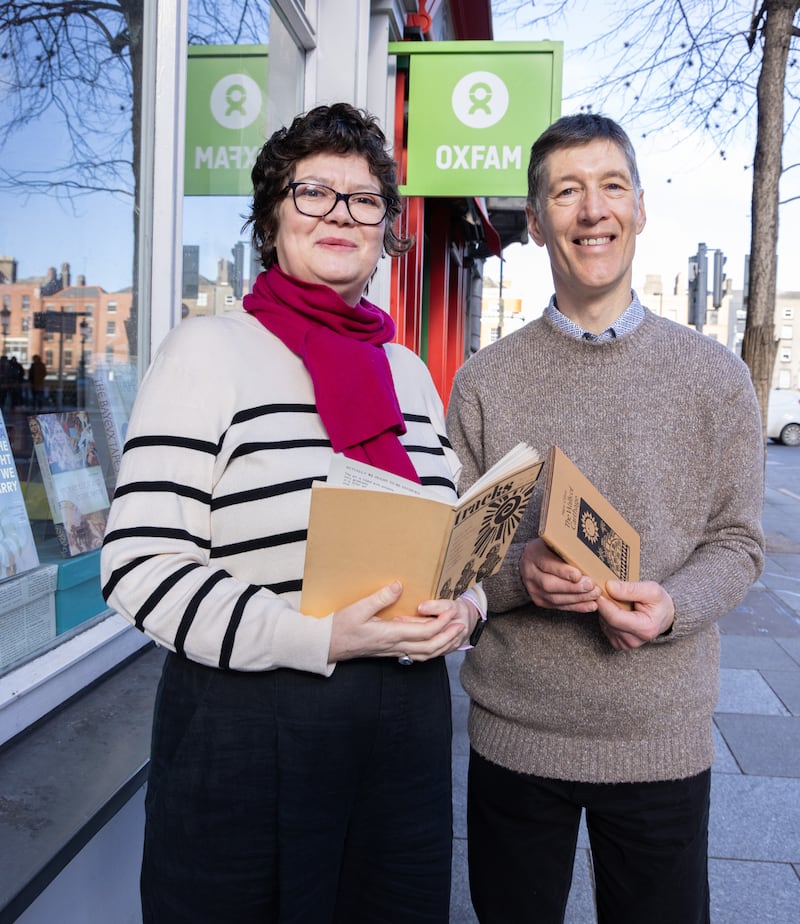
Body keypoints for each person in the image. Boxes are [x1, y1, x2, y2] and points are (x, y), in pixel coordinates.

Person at [100, 103, 485, 923]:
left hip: (406, 731)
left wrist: (470, 604)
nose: (342, 213)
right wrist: (319, 637)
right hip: (251, 723)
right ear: (273, 219)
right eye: (314, 192)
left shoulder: (410, 371)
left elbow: (446, 534)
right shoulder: (208, 349)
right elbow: (139, 563)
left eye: (365, 198)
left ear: (387, 232)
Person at [445, 113, 765, 924]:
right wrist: (521, 575)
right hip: (516, 735)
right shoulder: (484, 381)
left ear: (642, 208)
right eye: (567, 191)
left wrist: (672, 606)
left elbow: (737, 543)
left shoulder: (716, 378)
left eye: (611, 186)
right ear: (539, 216)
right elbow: (457, 556)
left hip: (659, 734)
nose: (593, 210)